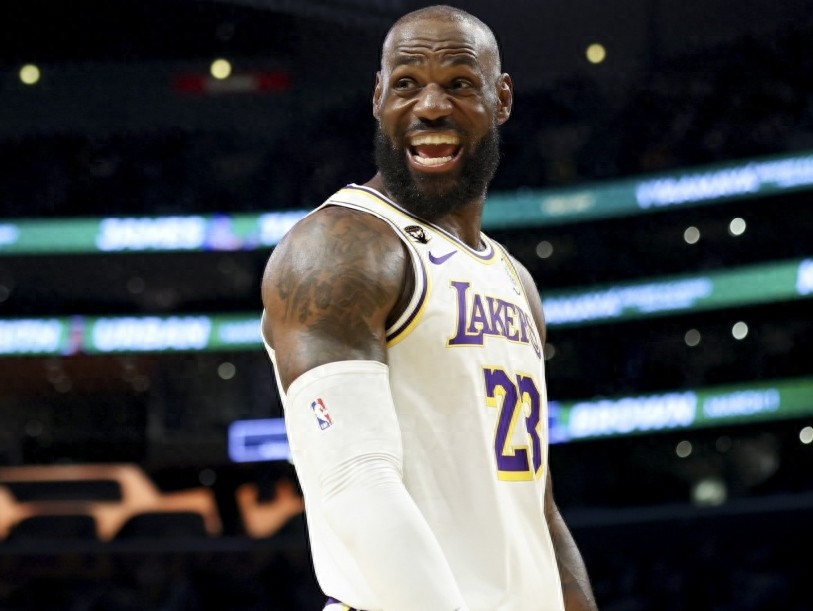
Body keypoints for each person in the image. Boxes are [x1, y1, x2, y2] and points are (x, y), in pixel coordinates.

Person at [260, 5, 598, 610]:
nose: (432, 105)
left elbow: (536, 508)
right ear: (378, 98)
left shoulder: (514, 279)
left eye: (460, 84)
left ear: (502, 99)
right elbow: (355, 483)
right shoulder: (341, 247)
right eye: (407, 83)